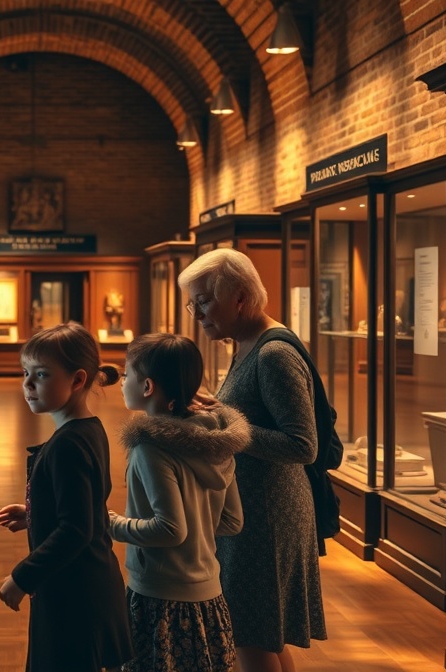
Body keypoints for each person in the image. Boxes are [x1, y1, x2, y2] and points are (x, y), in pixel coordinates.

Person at [178, 247, 327, 672]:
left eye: (204, 301)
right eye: (194, 303)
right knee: (264, 635)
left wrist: (223, 421)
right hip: (254, 512)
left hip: (268, 517)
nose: (197, 313)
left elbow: (302, 445)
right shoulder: (245, 343)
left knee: (248, 635)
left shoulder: (272, 353)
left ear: (239, 297)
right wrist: (216, 410)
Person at [0, 322, 133, 672]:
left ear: (78, 380)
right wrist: (36, 513)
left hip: (75, 594)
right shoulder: (88, 429)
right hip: (87, 584)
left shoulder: (68, 444)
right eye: (25, 372)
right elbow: (84, 508)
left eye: (40, 374)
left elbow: (76, 529)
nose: (27, 385)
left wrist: (23, 577)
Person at [109, 332, 249, 672]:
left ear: (147, 387)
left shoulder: (149, 448)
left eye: (127, 374)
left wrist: (111, 523)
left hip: (160, 595)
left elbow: (170, 529)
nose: (122, 381)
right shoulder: (215, 443)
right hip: (209, 596)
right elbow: (232, 521)